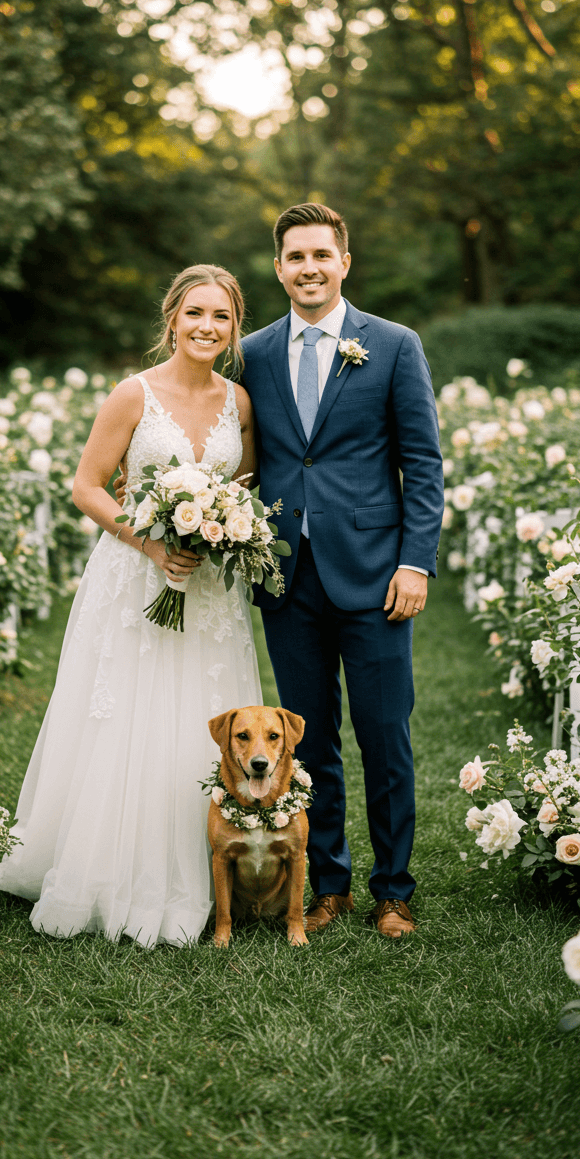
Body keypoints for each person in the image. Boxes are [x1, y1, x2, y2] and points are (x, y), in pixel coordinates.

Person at [0, 265, 262, 947]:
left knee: (200, 711)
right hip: (135, 578)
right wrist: (150, 542)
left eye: (221, 317)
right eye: (195, 313)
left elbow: (247, 485)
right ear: (172, 319)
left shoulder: (241, 402)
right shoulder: (132, 394)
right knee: (127, 715)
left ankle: (204, 864)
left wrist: (226, 525)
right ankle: (106, 869)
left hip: (206, 586)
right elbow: (88, 487)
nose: (207, 327)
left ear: (234, 328)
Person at [240, 203, 444, 938]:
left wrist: (415, 561)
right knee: (306, 741)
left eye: (321, 255)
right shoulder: (254, 352)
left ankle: (393, 889)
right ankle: (330, 884)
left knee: (384, 734)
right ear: (279, 268)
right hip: (286, 578)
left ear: (344, 262)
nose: (309, 269)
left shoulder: (391, 345)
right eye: (295, 257)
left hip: (376, 574)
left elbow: (421, 464)